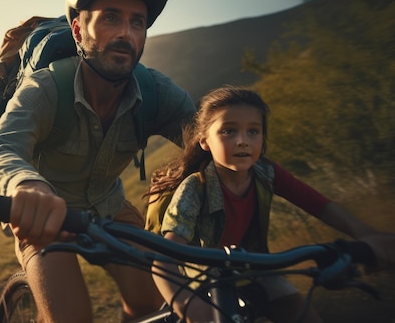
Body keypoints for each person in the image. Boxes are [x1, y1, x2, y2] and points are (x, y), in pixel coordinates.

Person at [0, 0, 196, 321]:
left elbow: (214, 138)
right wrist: (25, 185)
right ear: (77, 31)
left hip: (109, 205)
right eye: (111, 17)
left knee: (151, 304)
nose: (126, 33)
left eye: (138, 22)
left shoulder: (155, 91)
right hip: (44, 216)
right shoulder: (46, 87)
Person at [148, 86, 395, 323]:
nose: (243, 141)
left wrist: (365, 233)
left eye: (253, 131)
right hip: (206, 282)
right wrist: (186, 303)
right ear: (204, 141)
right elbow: (163, 257)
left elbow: (318, 205)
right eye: (229, 131)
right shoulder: (196, 188)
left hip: (254, 268)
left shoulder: (266, 172)